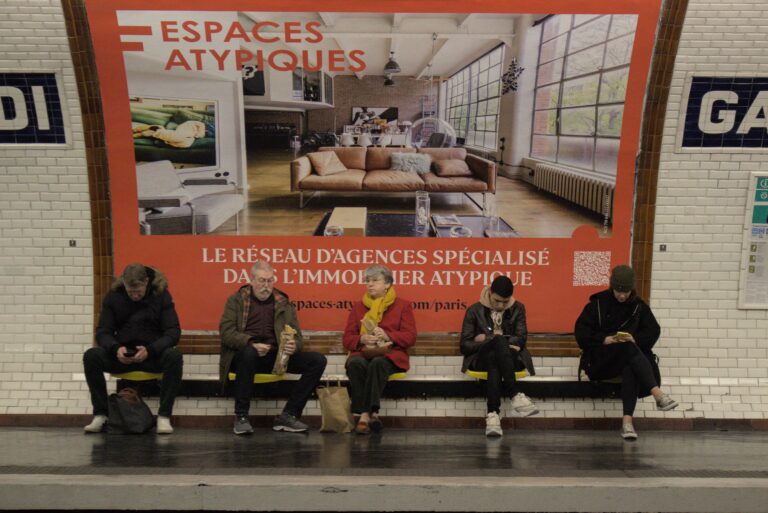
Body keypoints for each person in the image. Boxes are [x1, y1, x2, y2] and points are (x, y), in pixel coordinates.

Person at [220, 260, 327, 435]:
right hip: (244, 357)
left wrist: (294, 345)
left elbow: (298, 337)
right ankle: (241, 416)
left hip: (276, 357)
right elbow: (226, 333)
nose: (266, 285)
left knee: (317, 360)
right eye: (262, 280)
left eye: (270, 281)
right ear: (252, 280)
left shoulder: (283, 303)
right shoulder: (236, 300)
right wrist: (251, 343)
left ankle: (289, 415)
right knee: (248, 353)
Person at [575, 264, 679, 440]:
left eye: (626, 292)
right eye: (618, 291)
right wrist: (604, 339)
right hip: (602, 361)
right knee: (628, 348)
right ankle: (658, 394)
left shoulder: (639, 307)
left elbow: (653, 331)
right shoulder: (597, 305)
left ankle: (627, 423)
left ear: (632, 289)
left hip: (628, 360)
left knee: (630, 365)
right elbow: (581, 332)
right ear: (612, 287)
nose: (622, 296)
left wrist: (635, 339)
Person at [83, 263, 183, 434]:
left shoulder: (161, 295)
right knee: (91, 356)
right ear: (124, 283)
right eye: (131, 292)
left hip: (151, 356)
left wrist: (150, 350)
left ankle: (164, 416)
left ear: (146, 282)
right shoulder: (113, 296)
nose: (135, 295)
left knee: (174, 356)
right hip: (122, 357)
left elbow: (173, 332)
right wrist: (115, 348)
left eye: (138, 291)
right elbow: (103, 332)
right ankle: (101, 414)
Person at [460, 275, 538, 437]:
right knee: (497, 344)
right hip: (480, 358)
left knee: (494, 356)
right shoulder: (474, 310)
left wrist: (487, 338)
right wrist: (495, 340)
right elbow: (465, 346)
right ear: (490, 292)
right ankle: (514, 394)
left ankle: (493, 415)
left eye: (505, 302)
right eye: (497, 301)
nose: (501, 305)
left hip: (511, 358)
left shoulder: (518, 308)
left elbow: (521, 338)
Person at [342, 265, 417, 434]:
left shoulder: (403, 306)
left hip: (391, 354)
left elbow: (410, 337)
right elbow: (347, 339)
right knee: (355, 363)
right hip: (364, 352)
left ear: (387, 284)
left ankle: (364, 415)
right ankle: (373, 415)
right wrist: (361, 339)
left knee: (377, 363)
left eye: (375, 280)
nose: (370, 284)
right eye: (367, 281)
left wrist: (388, 335)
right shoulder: (358, 307)